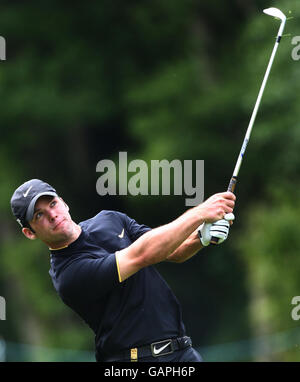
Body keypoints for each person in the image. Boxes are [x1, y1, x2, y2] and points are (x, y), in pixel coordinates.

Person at [10, 178, 235, 362]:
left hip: (182, 353)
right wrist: (199, 213)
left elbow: (171, 251)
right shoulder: (68, 274)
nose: (52, 215)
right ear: (30, 233)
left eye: (52, 204)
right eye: (38, 215)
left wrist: (201, 237)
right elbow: (141, 255)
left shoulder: (110, 219)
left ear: (63, 203)